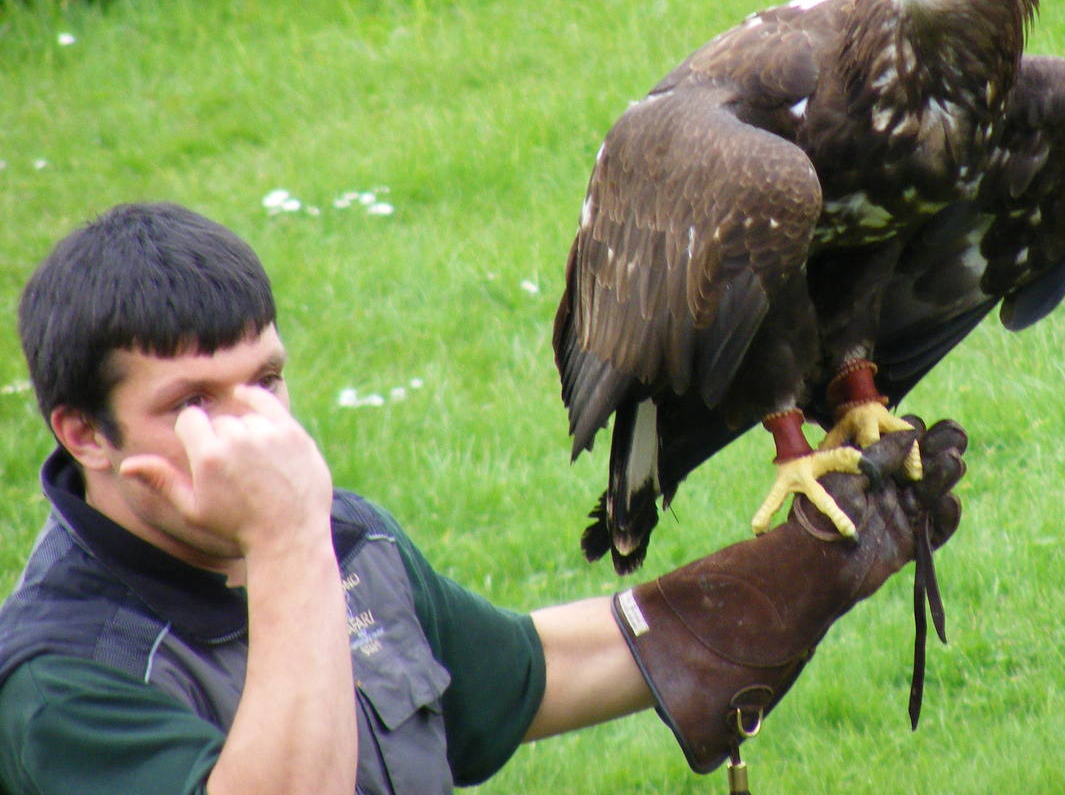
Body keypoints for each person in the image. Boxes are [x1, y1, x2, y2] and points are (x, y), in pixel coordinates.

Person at [0, 202, 966, 795]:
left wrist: (804, 569)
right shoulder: (67, 681)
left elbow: (524, 673)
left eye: (265, 380)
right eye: (192, 404)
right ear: (84, 432)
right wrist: (285, 533)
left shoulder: (349, 544)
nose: (254, 431)